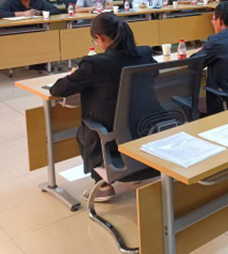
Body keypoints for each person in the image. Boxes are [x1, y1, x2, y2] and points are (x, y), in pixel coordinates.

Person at [50, 13, 155, 202]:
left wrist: (74, 74)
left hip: (111, 134)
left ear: (99, 38)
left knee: (85, 131)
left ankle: (104, 187)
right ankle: (134, 172)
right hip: (144, 127)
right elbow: (154, 74)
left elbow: (59, 89)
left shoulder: (94, 64)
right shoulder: (144, 53)